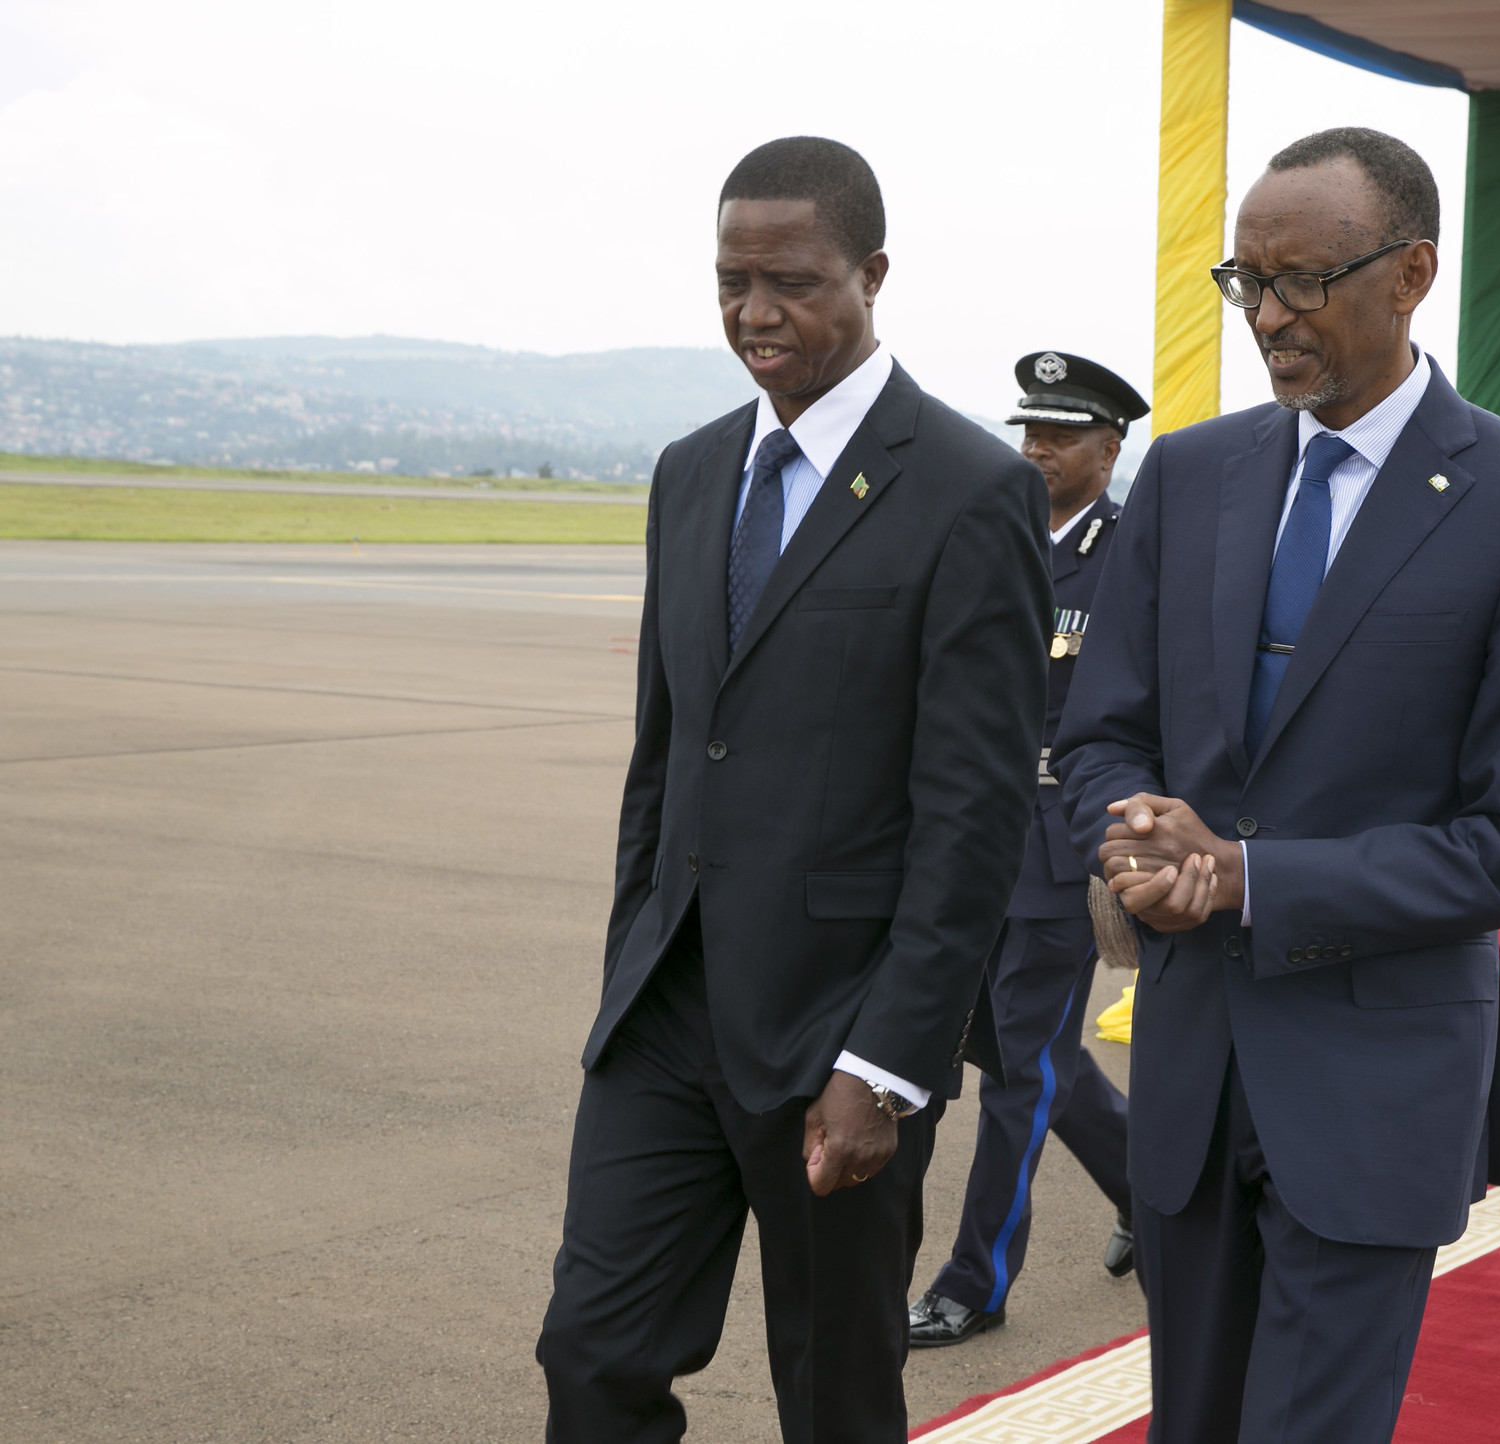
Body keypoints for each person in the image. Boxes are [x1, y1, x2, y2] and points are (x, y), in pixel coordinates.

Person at [1053, 126, 1500, 1444]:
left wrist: (1243, 879)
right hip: (1190, 1080)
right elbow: (1098, 733)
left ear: (1411, 273)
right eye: (1242, 279)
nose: (1265, 315)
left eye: (1300, 280)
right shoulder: (1189, 477)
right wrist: (1132, 838)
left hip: (1370, 1091)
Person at [535, 136, 1052, 1444]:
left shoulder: (970, 489)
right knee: (592, 1356)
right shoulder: (692, 470)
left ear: (872, 274)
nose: (754, 313)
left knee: (831, 1392)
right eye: (729, 280)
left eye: (792, 281)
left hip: (838, 1028)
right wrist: (625, 966)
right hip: (668, 1012)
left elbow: (974, 816)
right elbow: (665, 753)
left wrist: (886, 1063)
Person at [908, 352, 1144, 1348]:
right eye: (1029, 431)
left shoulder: (1129, 553)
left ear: (1110, 446)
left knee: (1018, 1075)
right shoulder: (990, 531)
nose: (1036, 449)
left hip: (1058, 847)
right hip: (971, 839)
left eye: (1060, 434)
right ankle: (1150, 1190)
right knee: (1024, 1054)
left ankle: (975, 1282)